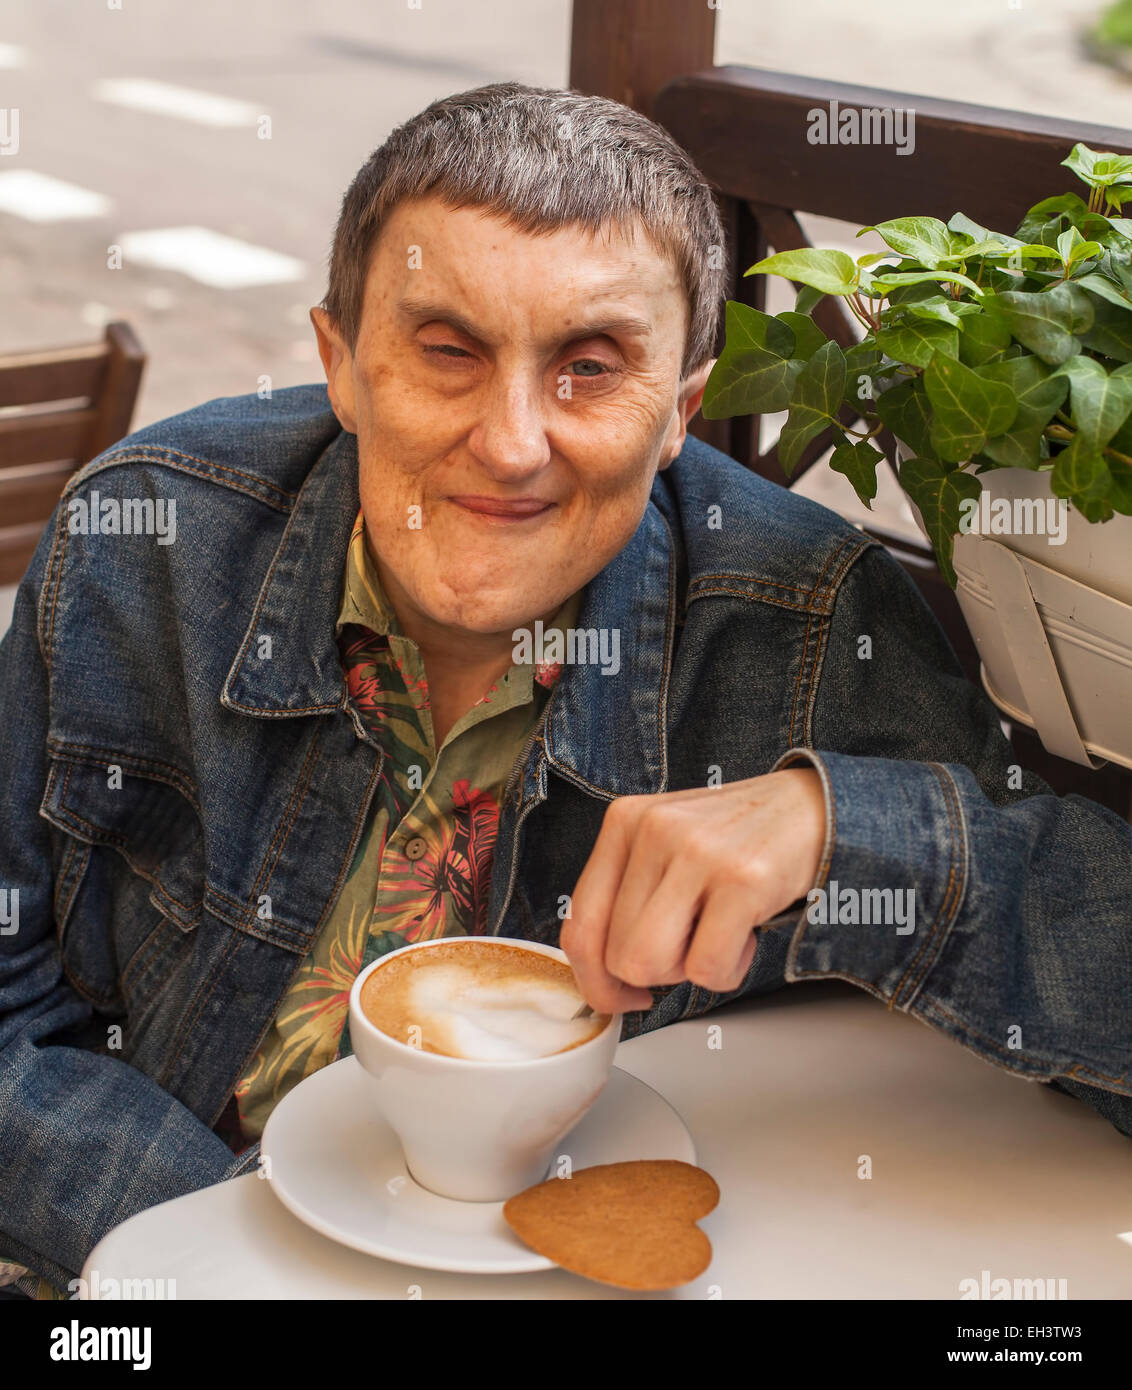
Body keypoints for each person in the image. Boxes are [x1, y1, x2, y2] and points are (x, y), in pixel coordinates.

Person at [1, 80, 1129, 1300]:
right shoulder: (145, 537)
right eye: (447, 350)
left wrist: (850, 829)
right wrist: (236, 1251)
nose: (513, 442)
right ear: (340, 363)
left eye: (590, 367)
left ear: (679, 414)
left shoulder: (806, 625)